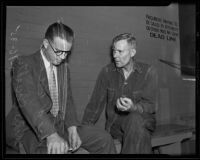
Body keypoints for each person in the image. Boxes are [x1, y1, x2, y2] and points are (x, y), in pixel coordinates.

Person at [6, 22, 116, 154]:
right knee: (53, 150)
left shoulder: (64, 68)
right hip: (28, 129)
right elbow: (29, 103)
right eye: (58, 51)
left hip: (59, 124)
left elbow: (67, 100)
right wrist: (51, 135)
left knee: (104, 139)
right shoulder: (23, 63)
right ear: (46, 44)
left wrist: (72, 127)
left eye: (67, 52)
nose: (63, 57)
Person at [82, 33, 158, 154]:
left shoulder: (149, 72)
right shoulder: (107, 72)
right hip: (116, 127)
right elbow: (94, 106)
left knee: (135, 119)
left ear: (132, 52)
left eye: (120, 51)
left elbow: (151, 105)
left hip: (143, 123)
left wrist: (134, 107)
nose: (115, 56)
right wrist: (83, 132)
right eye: (114, 51)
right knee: (138, 132)